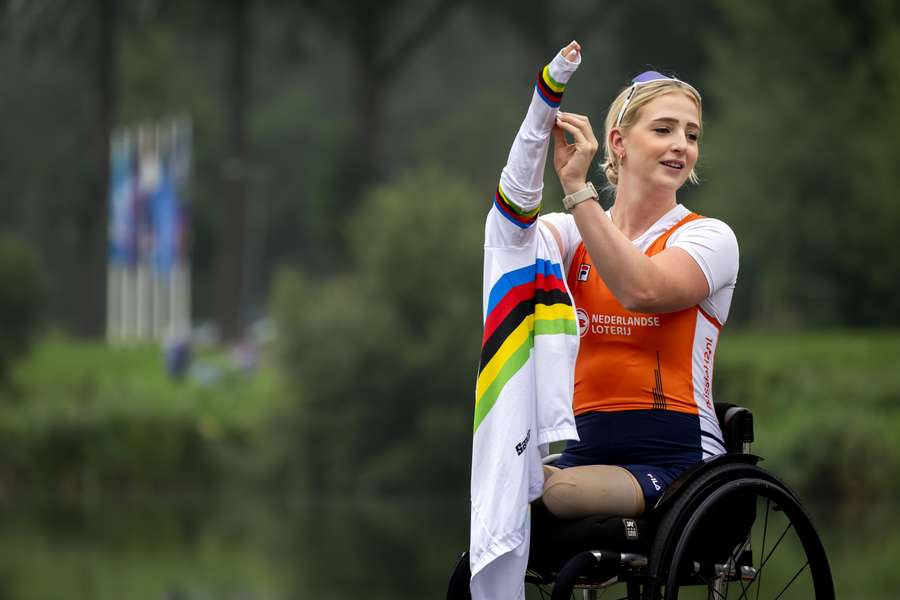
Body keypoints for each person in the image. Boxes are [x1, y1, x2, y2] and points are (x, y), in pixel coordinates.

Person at [537, 44, 739, 519]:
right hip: (586, 451)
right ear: (619, 143)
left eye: (692, 135)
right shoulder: (568, 231)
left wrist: (574, 188)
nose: (681, 145)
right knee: (500, 487)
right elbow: (511, 240)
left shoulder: (709, 236)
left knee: (557, 494)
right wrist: (536, 132)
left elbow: (642, 291)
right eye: (664, 130)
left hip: (681, 462)